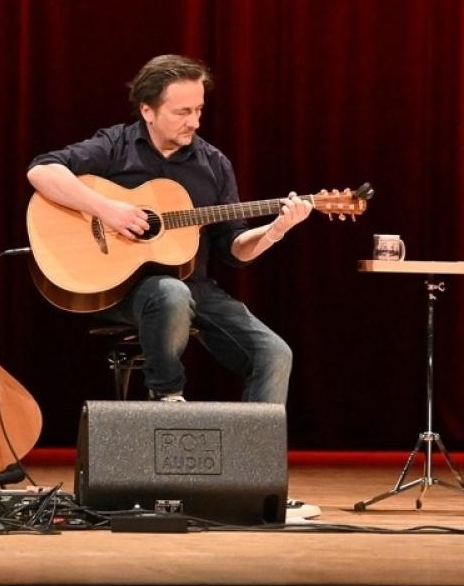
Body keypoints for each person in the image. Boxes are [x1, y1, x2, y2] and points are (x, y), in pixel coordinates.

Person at [27, 54, 312, 404]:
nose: (194, 122)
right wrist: (108, 210)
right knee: (169, 294)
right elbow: (42, 171)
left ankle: (254, 457)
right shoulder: (117, 146)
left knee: (274, 354)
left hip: (197, 288)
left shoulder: (214, 164)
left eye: (199, 110)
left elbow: (233, 248)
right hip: (123, 290)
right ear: (148, 110)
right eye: (182, 112)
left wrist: (275, 230)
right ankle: (167, 399)